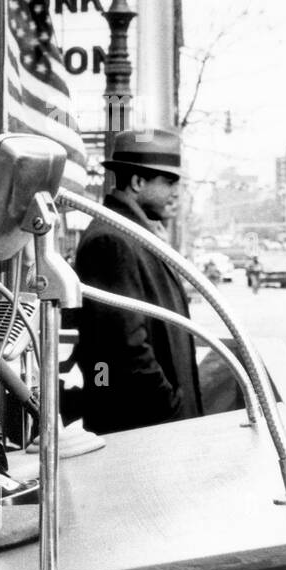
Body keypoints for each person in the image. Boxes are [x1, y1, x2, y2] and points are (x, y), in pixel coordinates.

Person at [72, 128, 202, 435]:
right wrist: (169, 406)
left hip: (156, 429)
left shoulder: (133, 235)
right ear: (137, 182)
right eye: (168, 181)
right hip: (147, 430)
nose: (176, 192)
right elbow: (124, 348)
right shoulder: (111, 240)